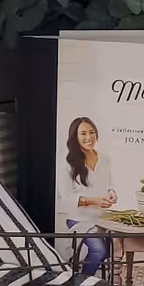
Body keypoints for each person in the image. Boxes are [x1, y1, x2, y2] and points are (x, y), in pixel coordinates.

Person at [59, 116, 115, 276]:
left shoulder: (105, 159)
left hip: (103, 219)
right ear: (75, 138)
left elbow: (110, 185)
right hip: (79, 219)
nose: (88, 137)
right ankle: (84, 284)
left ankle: (97, 283)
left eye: (91, 132)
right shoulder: (67, 163)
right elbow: (66, 198)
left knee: (114, 249)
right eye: (83, 133)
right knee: (99, 250)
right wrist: (93, 201)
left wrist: (112, 194)